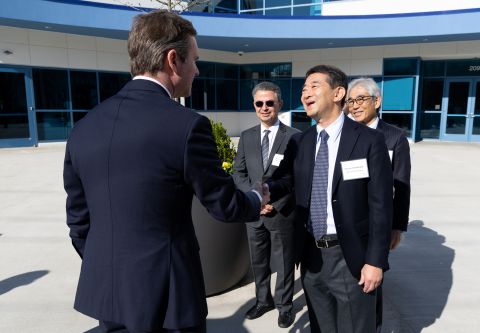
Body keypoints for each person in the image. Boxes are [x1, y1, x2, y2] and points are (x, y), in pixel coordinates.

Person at [63, 10, 268, 333]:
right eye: (195, 60)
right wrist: (256, 198)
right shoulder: (187, 126)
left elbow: (78, 221)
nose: (197, 70)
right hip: (168, 300)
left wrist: (109, 264)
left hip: (109, 295)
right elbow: (223, 204)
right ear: (173, 60)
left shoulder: (83, 128)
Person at [268, 65, 394, 333]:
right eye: (303, 88)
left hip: (351, 257)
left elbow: (381, 206)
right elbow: (285, 181)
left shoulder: (370, 140)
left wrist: (375, 261)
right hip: (311, 256)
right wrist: (261, 192)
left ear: (338, 93)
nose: (305, 93)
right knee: (321, 327)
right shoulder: (300, 142)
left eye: (314, 86)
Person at [232, 82, 300, 328]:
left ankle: (285, 306)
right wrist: (254, 200)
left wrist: (273, 201)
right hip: (254, 212)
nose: (264, 108)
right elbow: (238, 173)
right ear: (254, 105)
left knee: (283, 263)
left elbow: (295, 178)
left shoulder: (294, 137)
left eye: (269, 103)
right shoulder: (248, 136)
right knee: (258, 260)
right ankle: (263, 301)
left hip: (281, 212)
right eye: (259, 103)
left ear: (279, 104)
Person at [346, 77, 411, 332]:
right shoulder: (345, 133)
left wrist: (397, 227)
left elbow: (402, 185)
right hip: (349, 217)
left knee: (372, 281)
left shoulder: (394, 138)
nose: (355, 105)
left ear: (377, 101)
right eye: (351, 101)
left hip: (379, 221)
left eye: (361, 99)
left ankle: (373, 325)